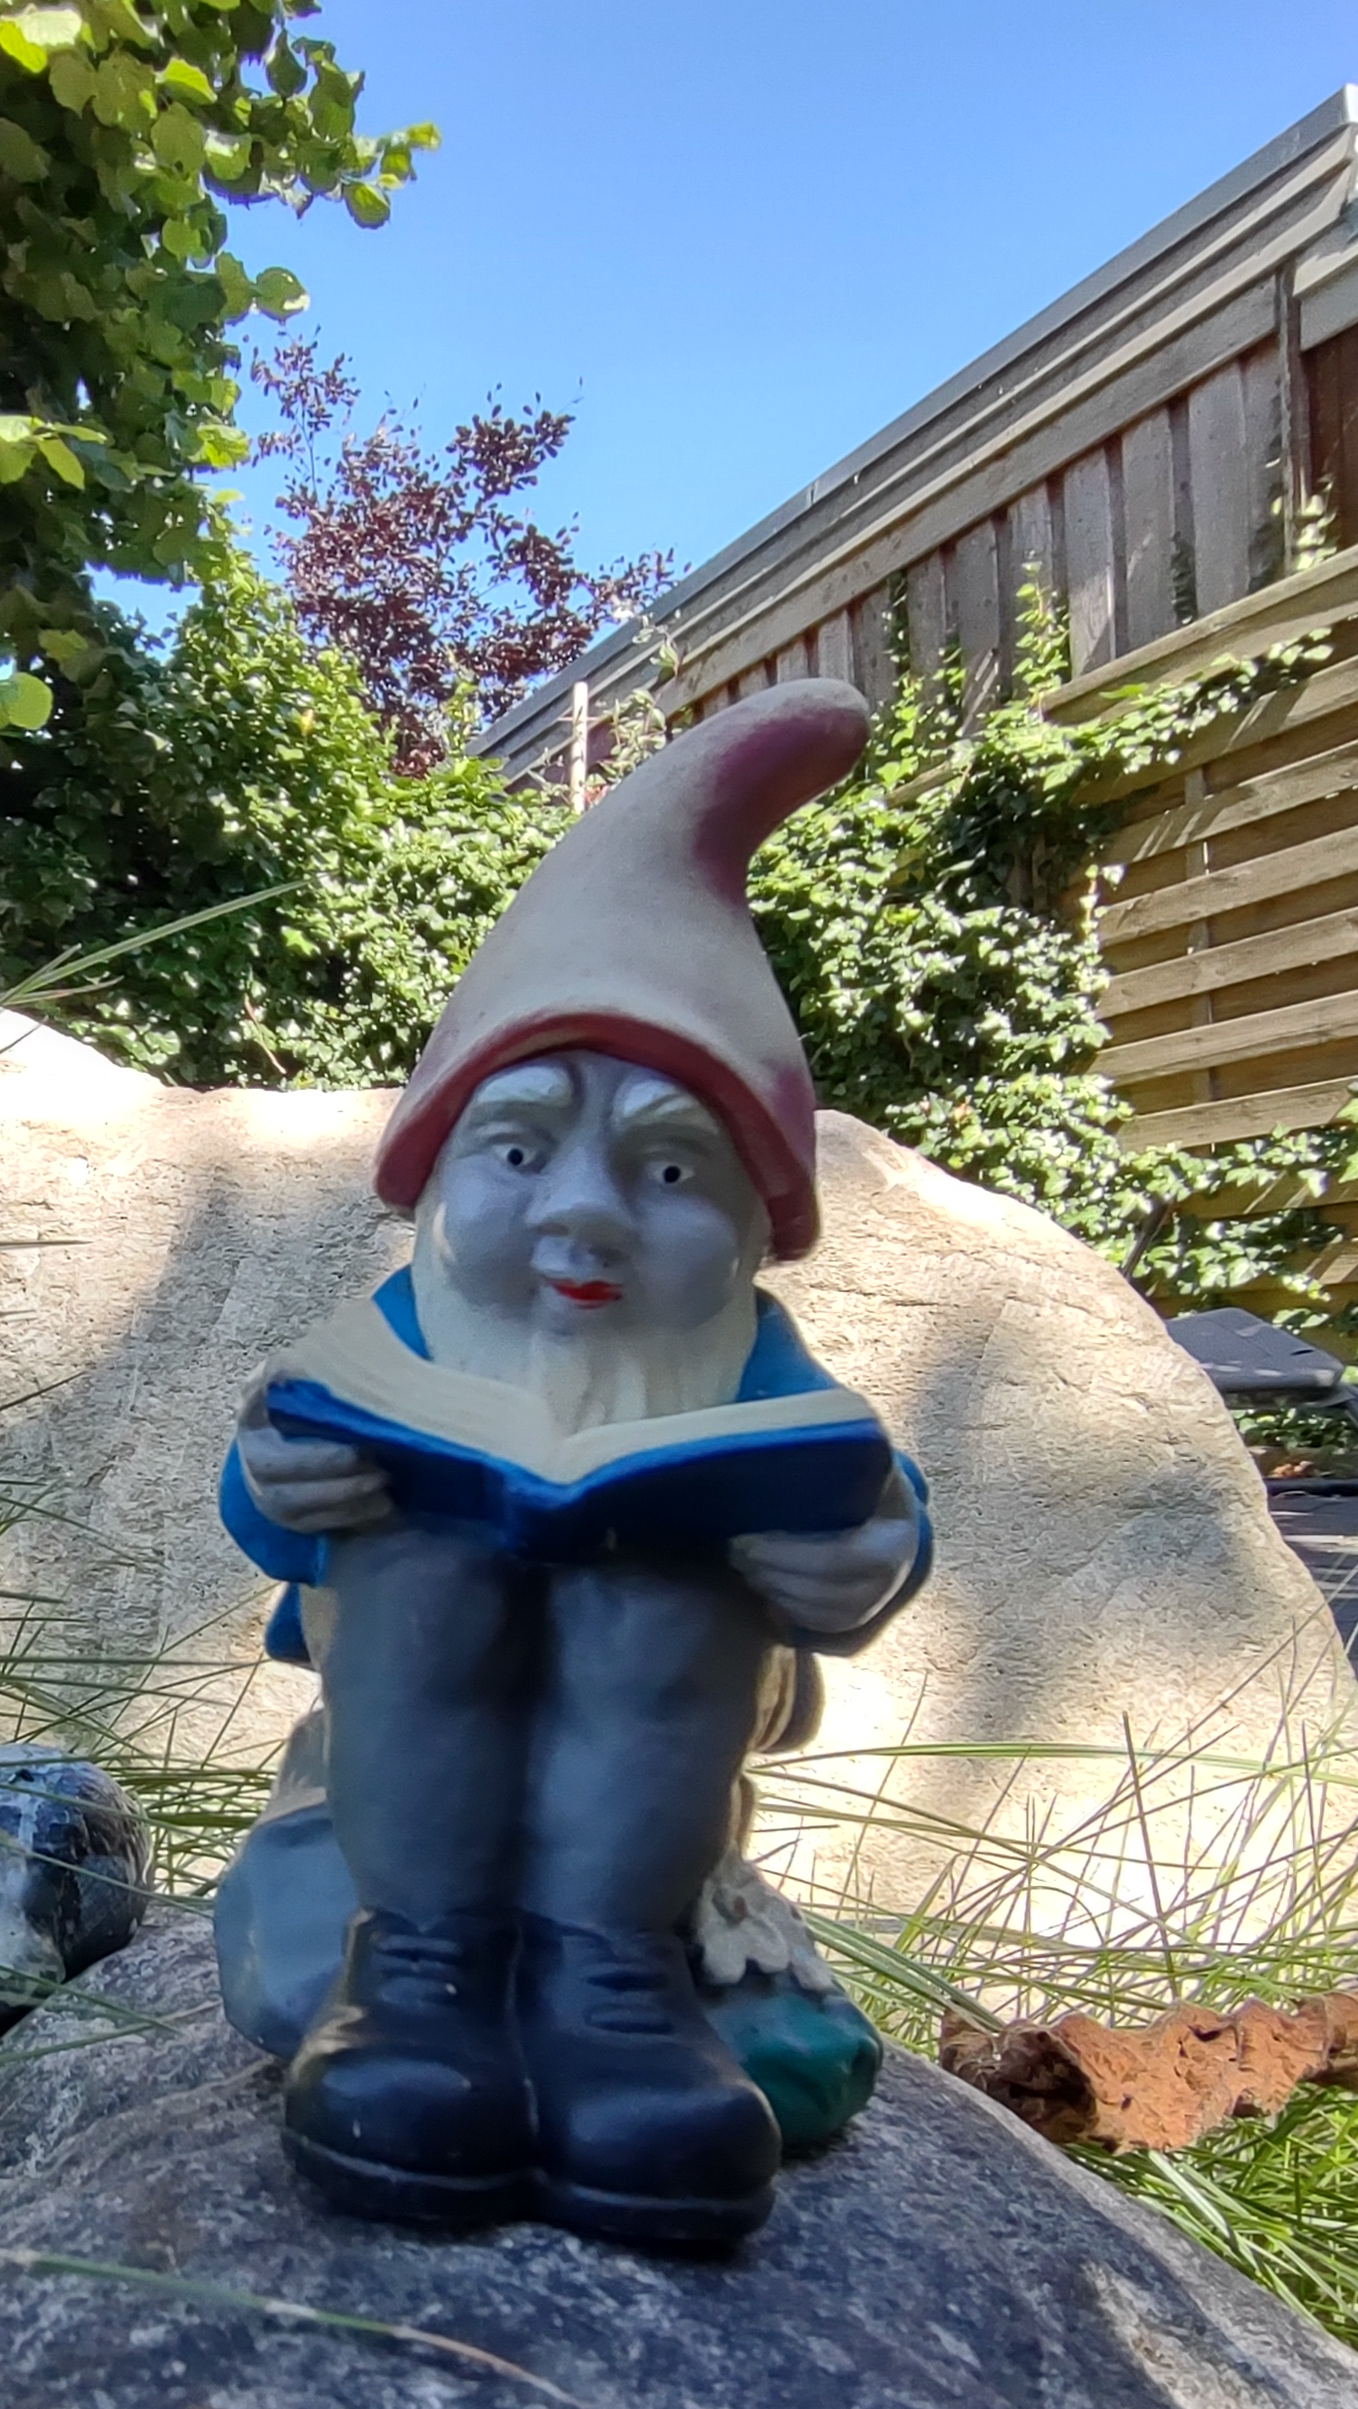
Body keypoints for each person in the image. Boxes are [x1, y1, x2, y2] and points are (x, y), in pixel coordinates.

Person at [219, 680, 928, 2251]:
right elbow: (267, 1481)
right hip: (404, 1788)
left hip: (653, 1810)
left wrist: (865, 1556)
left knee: (663, 1594)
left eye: (670, 1167)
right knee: (419, 1570)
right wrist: (279, 1482)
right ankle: (419, 1966)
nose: (585, 1215)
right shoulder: (392, 1333)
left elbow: (863, 1488)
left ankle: (613, 1983)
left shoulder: (750, 1358)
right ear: (435, 1177)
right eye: (521, 1150)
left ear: (752, 1221)